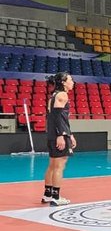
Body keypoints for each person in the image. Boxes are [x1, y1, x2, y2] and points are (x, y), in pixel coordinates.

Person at [41, 72, 76, 206]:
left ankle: (48, 194)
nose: (72, 82)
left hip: (53, 134)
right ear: (63, 82)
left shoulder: (53, 96)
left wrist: (70, 134)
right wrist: (61, 135)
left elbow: (59, 118)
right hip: (58, 135)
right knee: (59, 166)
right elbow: (56, 117)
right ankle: (56, 196)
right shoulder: (62, 95)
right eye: (70, 80)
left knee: (52, 166)